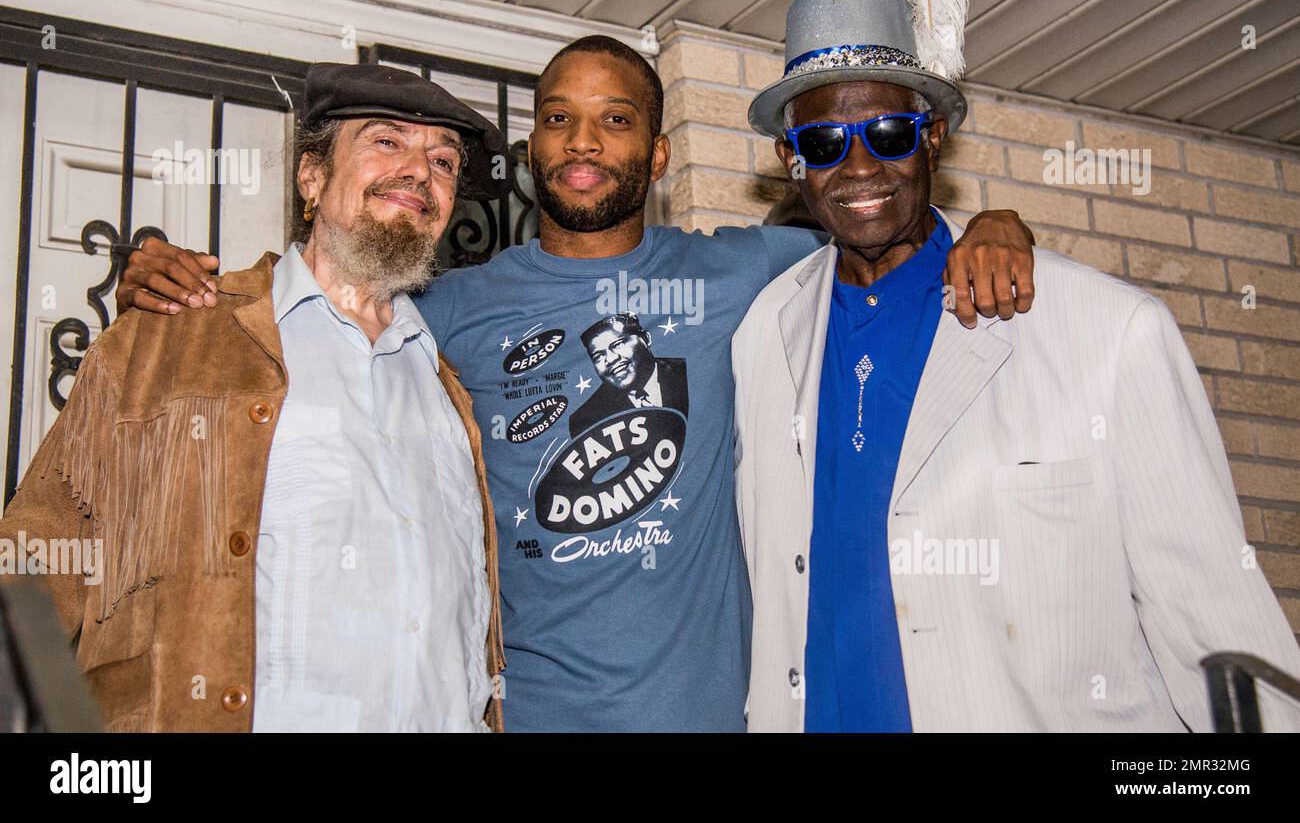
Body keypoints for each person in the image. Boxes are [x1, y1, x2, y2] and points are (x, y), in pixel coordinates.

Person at [115, 36, 1036, 731]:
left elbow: (875, 216)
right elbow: (323, 299)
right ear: (529, 150)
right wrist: (167, 275)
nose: (582, 140)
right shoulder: (448, 308)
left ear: (660, 154)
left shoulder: (745, 272)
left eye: (616, 119)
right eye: (557, 117)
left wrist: (989, 222)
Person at [733, 0, 1300, 732]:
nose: (858, 167)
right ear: (794, 159)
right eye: (823, 141)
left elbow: (1221, 632)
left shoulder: (1105, 330)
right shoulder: (764, 334)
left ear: (932, 133)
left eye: (888, 133)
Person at [0, 64, 508, 732]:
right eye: (386, 142)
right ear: (312, 176)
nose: (420, 171)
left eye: (442, 160)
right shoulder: (177, 332)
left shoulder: (450, 392)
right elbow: (34, 569)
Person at [567, 313, 688, 436]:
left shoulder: (688, 374)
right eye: (598, 356)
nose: (610, 359)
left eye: (618, 344)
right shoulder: (584, 420)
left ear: (646, 339)